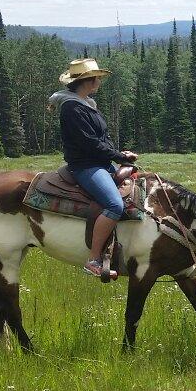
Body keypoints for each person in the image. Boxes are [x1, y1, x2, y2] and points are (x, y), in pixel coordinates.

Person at [48, 58, 139, 278]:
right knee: (114, 205)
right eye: (97, 77)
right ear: (88, 81)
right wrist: (118, 157)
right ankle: (93, 259)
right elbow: (89, 143)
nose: (99, 81)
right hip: (86, 166)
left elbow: (101, 139)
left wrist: (119, 154)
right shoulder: (72, 108)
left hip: (100, 163)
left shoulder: (87, 104)